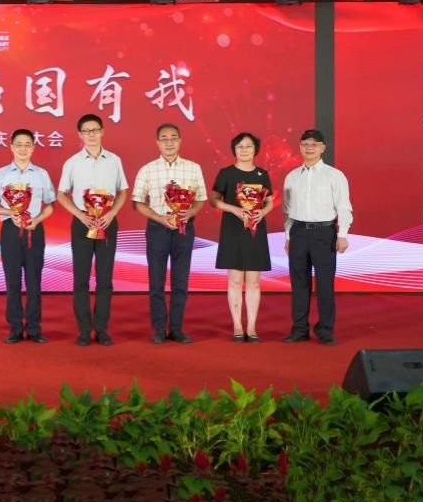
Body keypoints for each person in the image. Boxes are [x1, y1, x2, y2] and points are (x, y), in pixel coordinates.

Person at [56, 114, 129, 346]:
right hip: (82, 223)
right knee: (81, 279)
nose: (92, 135)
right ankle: (84, 331)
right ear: (80, 135)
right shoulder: (72, 162)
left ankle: (102, 329)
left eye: (95, 130)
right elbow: (61, 194)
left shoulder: (114, 160)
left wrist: (111, 214)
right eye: (87, 131)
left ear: (102, 131)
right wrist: (80, 215)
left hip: (107, 222)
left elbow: (122, 192)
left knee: (105, 279)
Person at [132, 123, 207, 344]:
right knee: (156, 281)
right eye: (164, 138)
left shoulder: (193, 168)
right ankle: (158, 328)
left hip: (185, 229)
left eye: (173, 137)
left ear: (180, 141)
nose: (169, 142)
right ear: (157, 143)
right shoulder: (147, 170)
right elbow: (137, 202)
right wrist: (160, 218)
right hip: (158, 229)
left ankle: (176, 328)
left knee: (180, 281)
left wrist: (191, 212)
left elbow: (201, 199)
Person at [0, 129, 56, 344]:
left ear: (33, 147)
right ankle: (15, 328)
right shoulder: (1, 174)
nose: (23, 148)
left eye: (27, 144)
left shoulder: (41, 174)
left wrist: (38, 219)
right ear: (11, 147)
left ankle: (34, 328)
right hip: (10, 231)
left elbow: (50, 206)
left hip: (34, 230)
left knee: (34, 282)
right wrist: (9, 212)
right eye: (19, 144)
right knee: (12, 281)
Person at [282, 129, 353, 346]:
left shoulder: (334, 175)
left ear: (323, 148)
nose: (309, 148)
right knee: (299, 283)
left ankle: (325, 330)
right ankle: (299, 329)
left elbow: (344, 207)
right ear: (300, 147)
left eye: (314, 144)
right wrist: (288, 236)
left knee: (324, 284)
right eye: (305, 144)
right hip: (298, 232)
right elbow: (287, 211)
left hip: (324, 233)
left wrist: (342, 235)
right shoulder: (292, 176)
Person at [209, 132, 275, 343]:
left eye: (248, 146)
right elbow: (213, 200)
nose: (244, 150)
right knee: (235, 281)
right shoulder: (226, 173)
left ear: (255, 150)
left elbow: (270, 200)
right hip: (233, 231)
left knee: (254, 282)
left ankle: (252, 326)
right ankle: (238, 325)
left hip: (255, 231)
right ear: (234, 150)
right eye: (240, 146)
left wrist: (263, 212)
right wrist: (234, 210)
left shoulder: (262, 174)